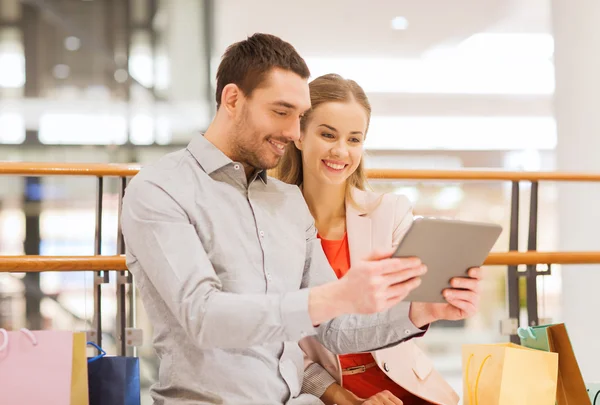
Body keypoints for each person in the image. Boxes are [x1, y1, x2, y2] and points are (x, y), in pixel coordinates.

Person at [120, 33, 480, 405]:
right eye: (281, 112)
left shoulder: (288, 202)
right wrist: (335, 296)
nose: (293, 132)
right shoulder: (159, 189)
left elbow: (335, 329)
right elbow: (203, 316)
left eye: (299, 116)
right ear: (232, 99)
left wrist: (421, 311)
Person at [275, 74, 480, 405]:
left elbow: (408, 308)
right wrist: (345, 399)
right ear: (299, 135)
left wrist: (441, 299)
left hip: (405, 387)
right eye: (328, 134)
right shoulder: (272, 224)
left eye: (354, 139)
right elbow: (283, 346)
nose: (341, 150)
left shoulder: (391, 212)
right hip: (325, 395)